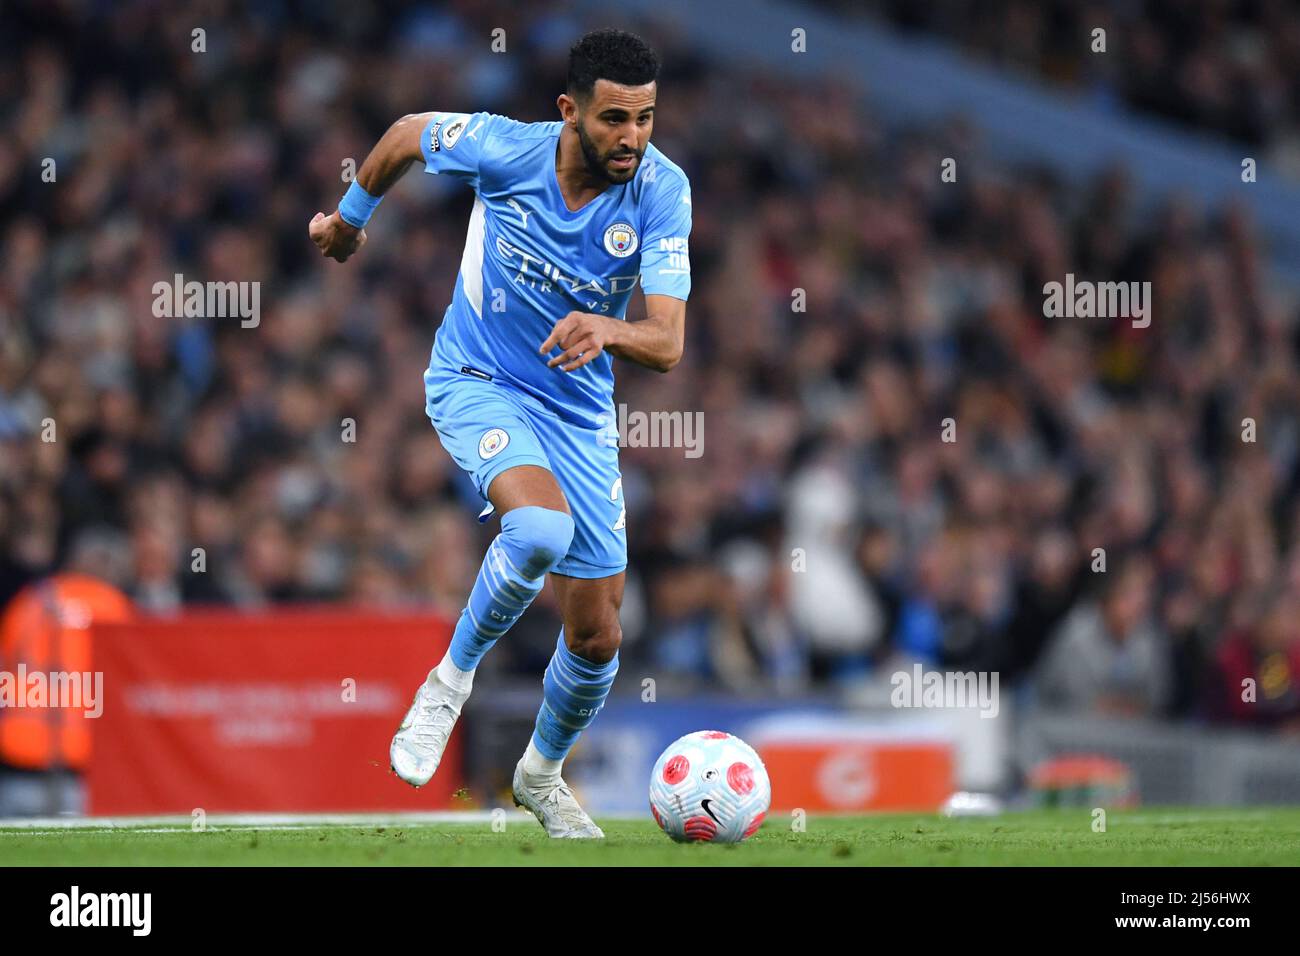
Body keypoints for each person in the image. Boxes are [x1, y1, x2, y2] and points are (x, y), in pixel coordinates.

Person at [308, 29, 691, 837]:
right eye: (615, 118)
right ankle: (447, 685)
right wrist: (349, 221)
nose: (632, 138)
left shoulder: (661, 190)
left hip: (578, 415)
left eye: (646, 118)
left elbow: (666, 341)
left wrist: (609, 329)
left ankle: (541, 776)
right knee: (541, 528)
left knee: (598, 634)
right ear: (569, 110)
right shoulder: (505, 150)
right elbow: (408, 133)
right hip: (478, 382)